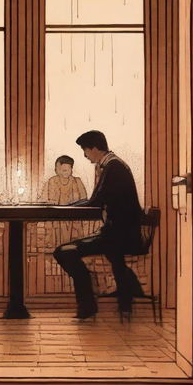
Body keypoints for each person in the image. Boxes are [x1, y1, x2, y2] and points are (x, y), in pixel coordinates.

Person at [52, 130, 145, 319]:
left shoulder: (113, 167)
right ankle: (126, 292)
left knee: (63, 251)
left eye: (85, 150)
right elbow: (96, 200)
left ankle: (87, 302)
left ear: (94, 148)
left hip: (117, 235)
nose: (85, 156)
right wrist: (70, 206)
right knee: (105, 258)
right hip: (120, 233)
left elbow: (95, 201)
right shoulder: (114, 164)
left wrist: (65, 208)